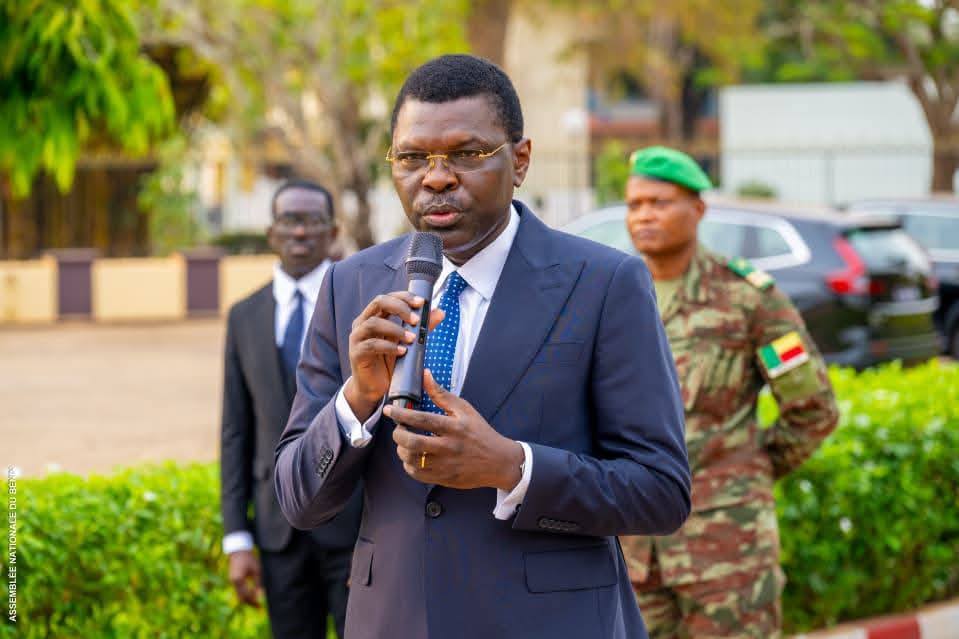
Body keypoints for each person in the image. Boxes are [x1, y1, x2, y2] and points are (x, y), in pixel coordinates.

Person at [273, 55, 691, 639]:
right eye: (413, 158)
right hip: (394, 621)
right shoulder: (350, 285)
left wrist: (511, 467)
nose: (436, 177)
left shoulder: (603, 283)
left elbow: (660, 491)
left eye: (467, 155)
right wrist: (359, 395)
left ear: (519, 160)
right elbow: (298, 500)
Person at [618, 146, 840, 639]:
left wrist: (744, 474)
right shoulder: (612, 293)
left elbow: (813, 409)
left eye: (659, 202)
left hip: (727, 554)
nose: (644, 215)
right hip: (634, 551)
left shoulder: (748, 298)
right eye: (635, 205)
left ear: (698, 209)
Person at [220, 180, 362, 639]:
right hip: (278, 532)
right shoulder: (244, 317)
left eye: (313, 221)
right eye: (289, 221)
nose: (301, 233)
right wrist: (237, 538)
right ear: (271, 232)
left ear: (333, 230)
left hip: (353, 529)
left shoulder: (363, 305)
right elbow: (236, 431)